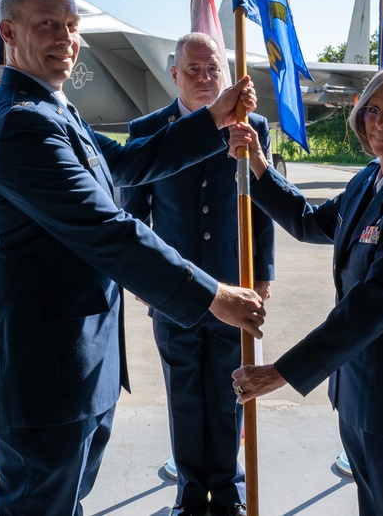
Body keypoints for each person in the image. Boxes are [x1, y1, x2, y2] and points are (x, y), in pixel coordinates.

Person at [0, 0, 266, 516]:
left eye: (72, 26)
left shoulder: (55, 109)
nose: (66, 38)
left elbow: (128, 162)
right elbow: (107, 229)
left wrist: (214, 119)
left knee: (62, 502)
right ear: (8, 31)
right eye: (47, 25)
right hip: (42, 373)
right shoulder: (22, 125)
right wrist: (212, 295)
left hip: (75, 365)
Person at [229, 62, 383, 516]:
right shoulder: (369, 181)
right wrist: (258, 164)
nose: (380, 122)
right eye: (373, 109)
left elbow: (369, 309)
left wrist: (281, 372)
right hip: (358, 395)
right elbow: (309, 222)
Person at [122, 33, 275, 516]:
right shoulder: (147, 129)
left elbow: (264, 205)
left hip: (235, 284)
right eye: (194, 70)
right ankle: (191, 492)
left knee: (231, 388)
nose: (206, 79)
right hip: (175, 291)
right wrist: (148, 281)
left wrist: (263, 271)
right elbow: (133, 214)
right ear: (174, 74)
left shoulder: (250, 126)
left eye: (214, 70)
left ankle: (228, 490)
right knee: (184, 392)